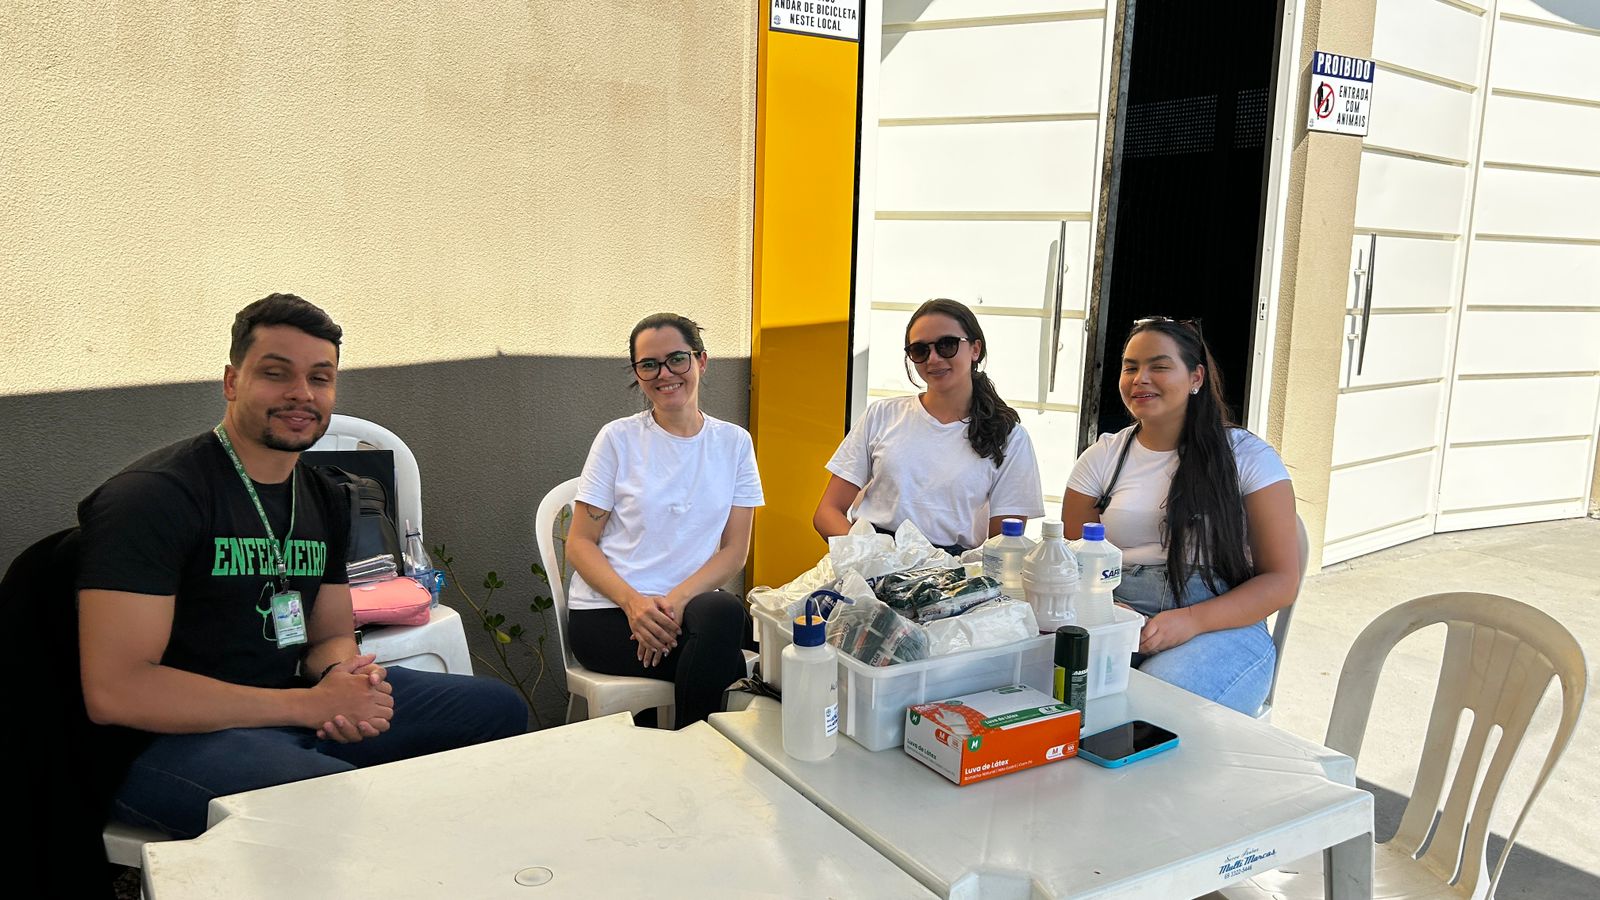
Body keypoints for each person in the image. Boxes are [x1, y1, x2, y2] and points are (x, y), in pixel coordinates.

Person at [77, 293, 527, 840]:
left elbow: (329, 636)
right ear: (232, 381)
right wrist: (307, 706)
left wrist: (345, 682)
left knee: (496, 709)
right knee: (332, 803)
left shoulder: (322, 495)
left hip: (290, 707)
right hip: (162, 742)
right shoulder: (155, 497)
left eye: (320, 377)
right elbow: (118, 690)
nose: (302, 393)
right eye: (276, 373)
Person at [1061, 317, 1298, 715]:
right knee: (1052, 684)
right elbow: (1073, 561)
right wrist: (1106, 608)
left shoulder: (1247, 456)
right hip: (1118, 616)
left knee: (1153, 703)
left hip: (1220, 622)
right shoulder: (1101, 457)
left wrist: (1191, 620)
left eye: (1159, 366)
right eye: (1131, 367)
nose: (1140, 379)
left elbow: (1280, 580)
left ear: (1196, 377)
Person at [565, 313, 763, 728]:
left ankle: (676, 745)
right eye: (649, 365)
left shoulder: (734, 443)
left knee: (724, 613)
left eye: (677, 359)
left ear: (701, 361)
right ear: (637, 374)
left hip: (689, 608)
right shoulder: (617, 439)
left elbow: (734, 551)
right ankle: (697, 749)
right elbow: (579, 543)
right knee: (728, 659)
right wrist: (634, 604)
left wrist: (672, 604)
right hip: (609, 612)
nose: (664, 374)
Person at [814, 298, 1045, 554]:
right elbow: (827, 512)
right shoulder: (881, 415)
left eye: (947, 345)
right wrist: (869, 557)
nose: (933, 358)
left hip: (952, 571)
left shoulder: (1010, 437)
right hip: (870, 558)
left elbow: (1004, 546)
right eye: (920, 350)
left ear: (975, 349)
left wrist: (940, 572)